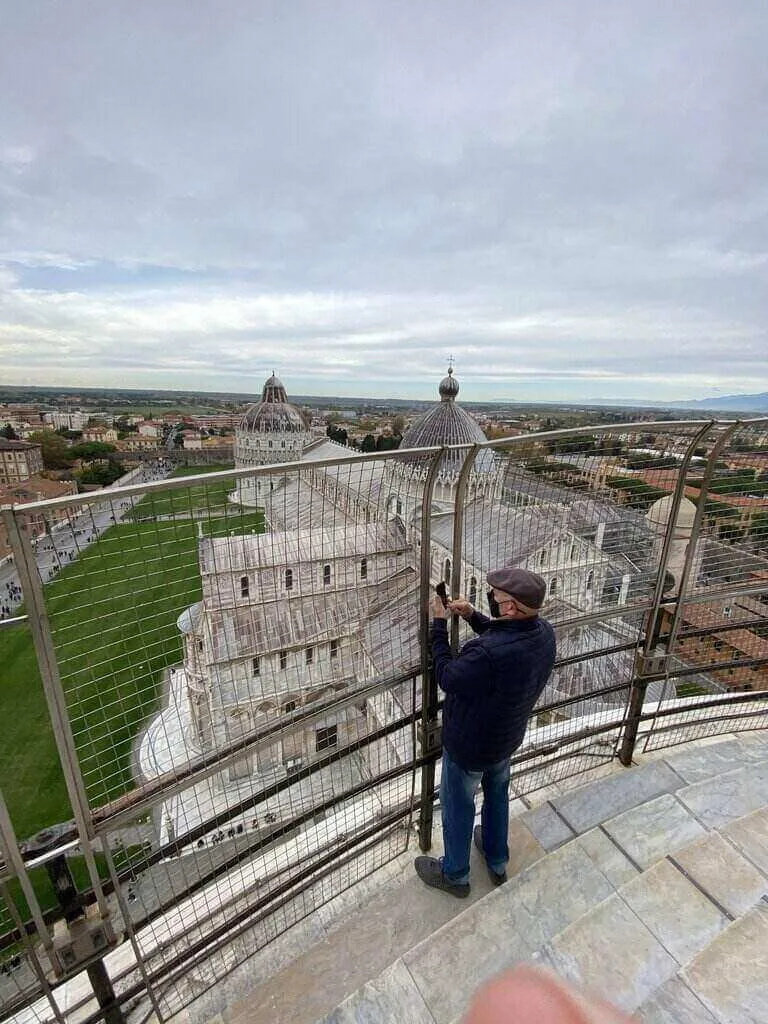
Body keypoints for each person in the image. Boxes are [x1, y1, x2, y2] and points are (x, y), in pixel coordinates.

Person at [414, 567, 556, 897]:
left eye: (496, 597)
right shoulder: (544, 633)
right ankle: (496, 858)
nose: (491, 598)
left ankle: (455, 875)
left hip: (470, 745)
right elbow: (507, 639)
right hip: (506, 738)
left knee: (457, 804)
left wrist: (438, 626)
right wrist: (473, 616)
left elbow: (448, 676)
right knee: (497, 795)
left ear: (509, 608)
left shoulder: (486, 655)